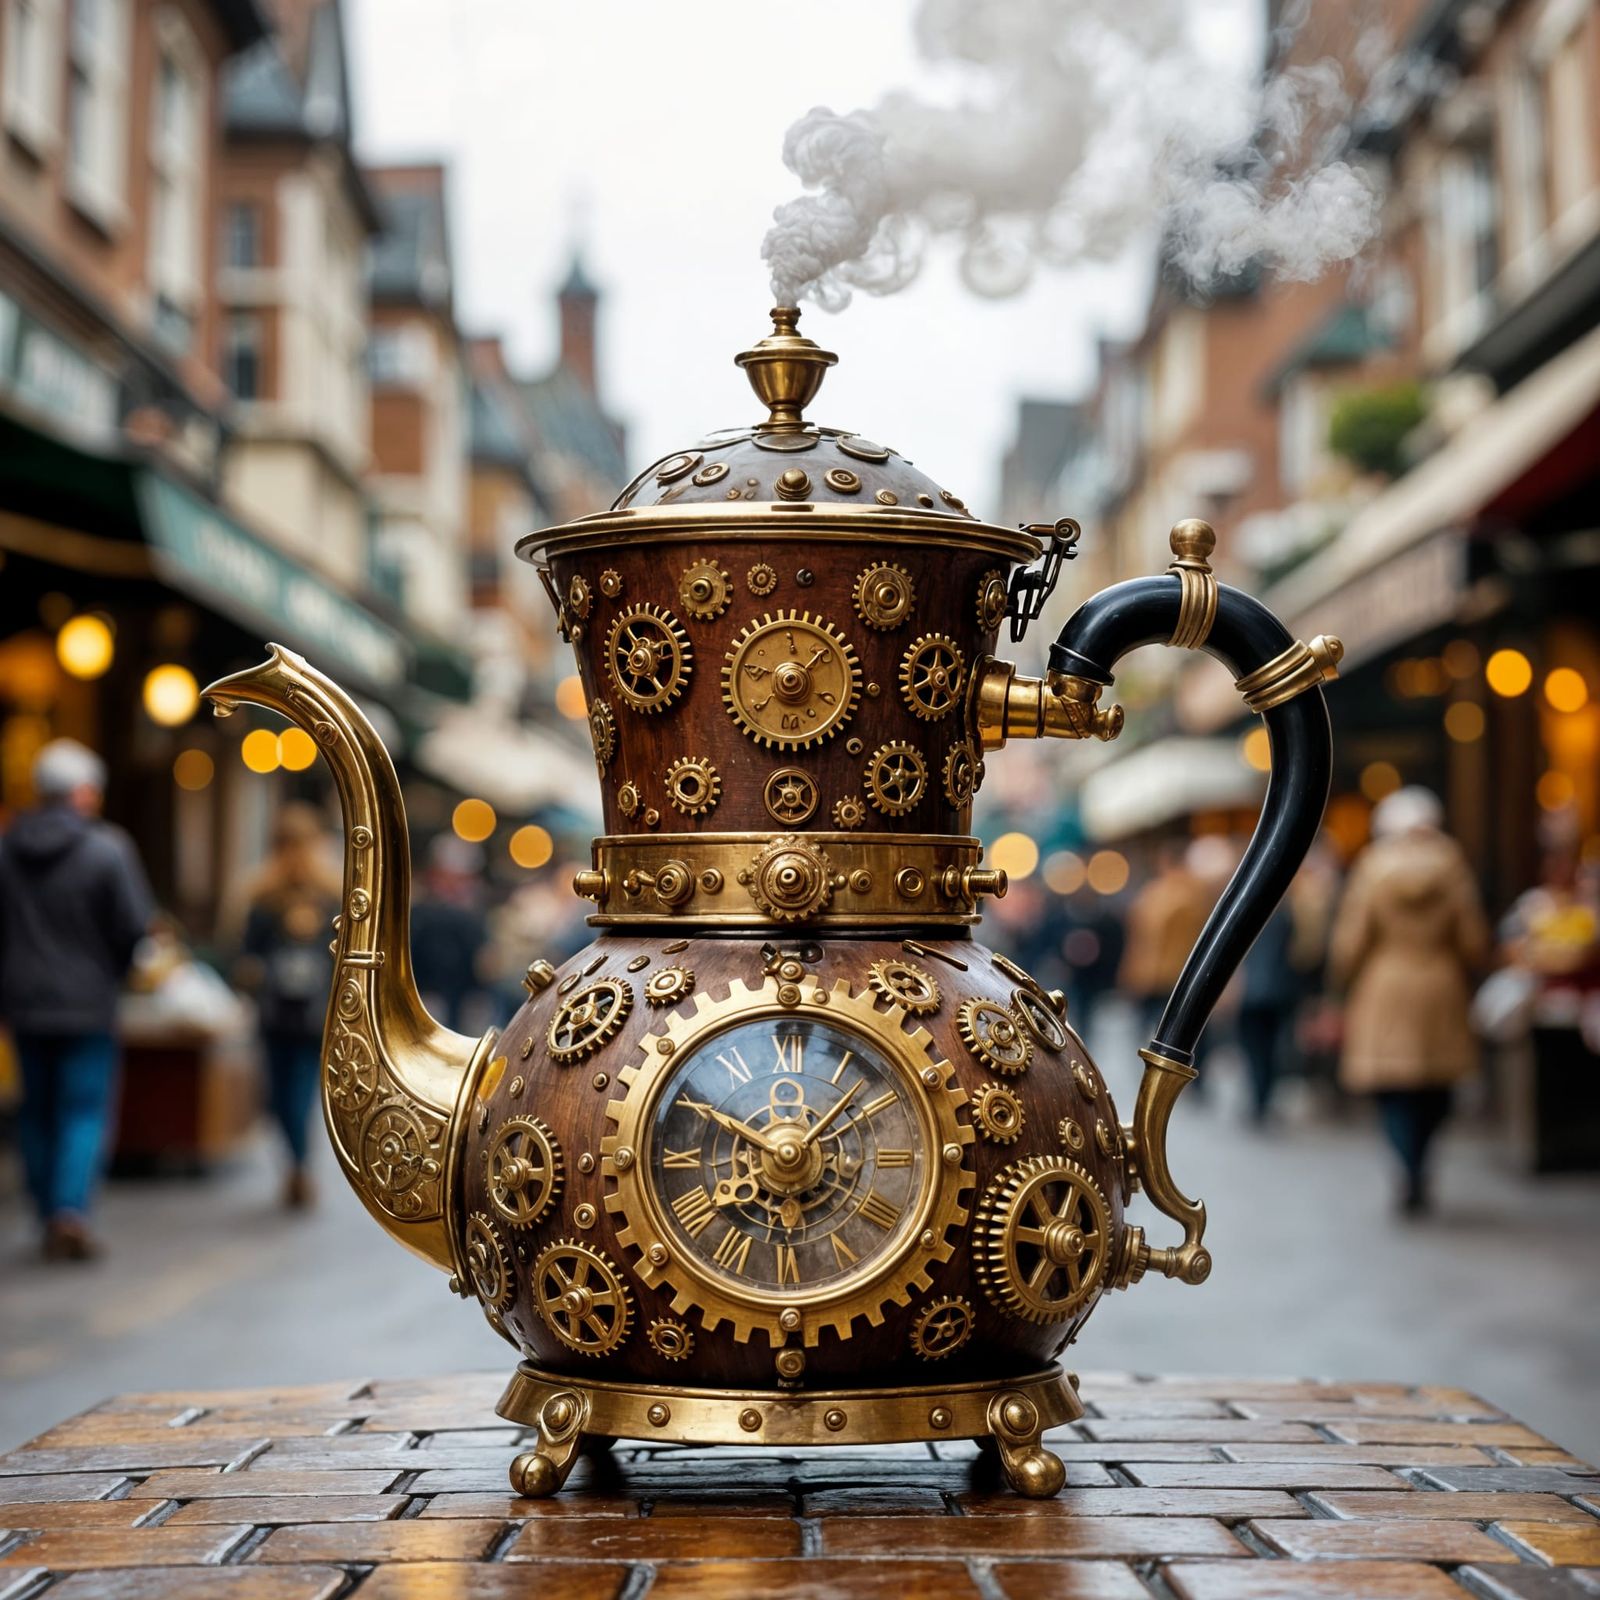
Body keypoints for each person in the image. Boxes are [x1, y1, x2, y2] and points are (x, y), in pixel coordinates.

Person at [0, 739, 153, 1259]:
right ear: (84, 793)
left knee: (37, 1111)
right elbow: (135, 928)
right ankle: (69, 1209)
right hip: (88, 1002)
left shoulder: (7, 849)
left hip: (22, 1001)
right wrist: (119, 970)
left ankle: (47, 1213)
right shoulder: (108, 850)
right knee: (83, 1109)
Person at [1329, 786, 1488, 1215]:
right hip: (1441, 983)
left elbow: (1351, 941)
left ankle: (1407, 1165)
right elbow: (1473, 939)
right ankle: (1421, 1162)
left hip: (1386, 983)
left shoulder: (1372, 867)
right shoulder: (1452, 866)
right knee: (1437, 1087)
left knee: (1393, 1088)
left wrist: (1340, 980)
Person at [236, 804, 341, 1209]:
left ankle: (296, 1162)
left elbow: (245, 954)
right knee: (290, 1092)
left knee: (285, 1092)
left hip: (285, 1012)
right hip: (304, 1011)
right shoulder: (276, 894)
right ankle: (298, 1163)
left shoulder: (266, 893)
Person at [410, 835, 490, 1033]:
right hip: (428, 996)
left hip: (465, 1000)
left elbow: (484, 963)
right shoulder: (422, 910)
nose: (455, 885)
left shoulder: (474, 913)